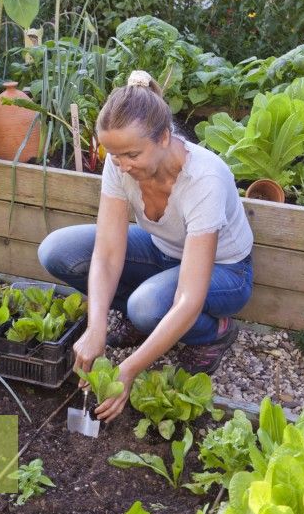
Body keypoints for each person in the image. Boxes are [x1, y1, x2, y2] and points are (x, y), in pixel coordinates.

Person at [38, 70, 254, 422]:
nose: (122, 164)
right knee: (58, 251)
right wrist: (96, 328)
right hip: (164, 250)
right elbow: (107, 253)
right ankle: (147, 321)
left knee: (147, 306)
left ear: (165, 137)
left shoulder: (204, 179)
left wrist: (128, 370)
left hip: (227, 271)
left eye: (132, 154)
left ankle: (216, 334)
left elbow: (189, 298)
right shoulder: (119, 162)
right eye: (114, 154)